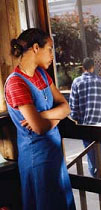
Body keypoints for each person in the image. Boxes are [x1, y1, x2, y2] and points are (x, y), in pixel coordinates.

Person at [4, 28, 76, 210]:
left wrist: (43, 115)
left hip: (54, 156)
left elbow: (65, 107)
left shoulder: (42, 74)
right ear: (36, 48)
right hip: (37, 160)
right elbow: (39, 128)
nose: (53, 54)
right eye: (50, 48)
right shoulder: (16, 83)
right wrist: (55, 116)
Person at [69, 57, 101, 178]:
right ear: (93, 68)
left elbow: (73, 105)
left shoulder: (77, 82)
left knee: (89, 148)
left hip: (85, 122)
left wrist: (75, 118)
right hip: (99, 121)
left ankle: (94, 173)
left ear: (83, 68)